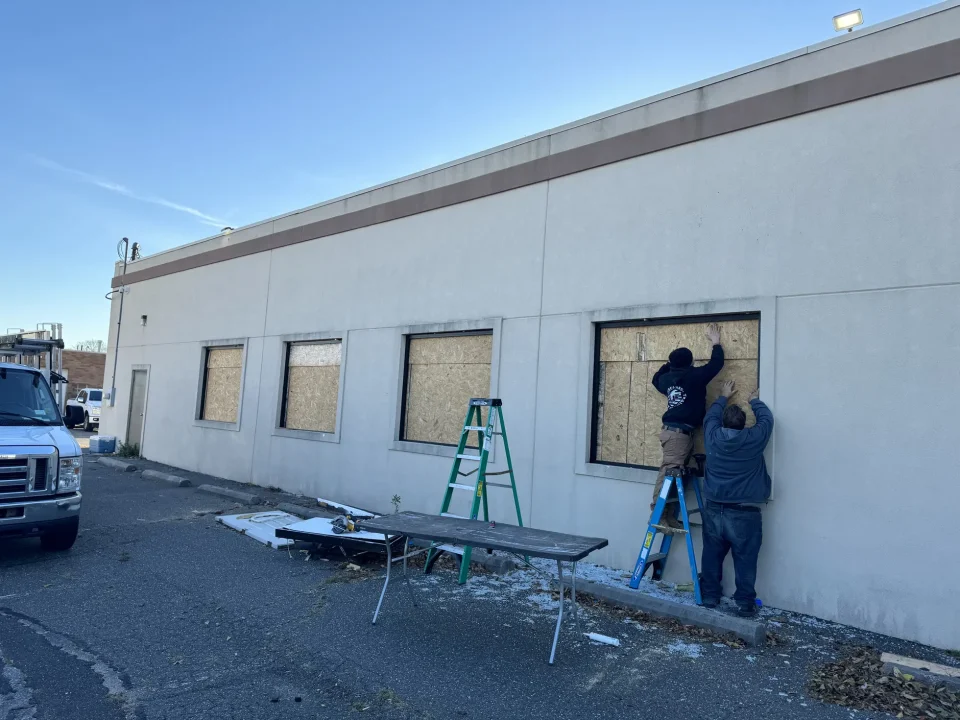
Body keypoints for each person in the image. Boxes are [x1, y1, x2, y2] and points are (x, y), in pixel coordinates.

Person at [699, 380, 774, 616]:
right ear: (744, 425)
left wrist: (722, 396)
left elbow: (710, 417)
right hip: (744, 513)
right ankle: (744, 603)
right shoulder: (752, 439)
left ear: (723, 423)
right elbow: (767, 421)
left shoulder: (712, 436)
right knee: (745, 559)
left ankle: (710, 597)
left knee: (711, 554)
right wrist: (754, 401)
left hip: (714, 509)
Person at [649, 323, 724, 530]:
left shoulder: (666, 379)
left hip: (678, 433)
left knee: (677, 473)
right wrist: (715, 342)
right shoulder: (694, 376)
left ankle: (669, 514)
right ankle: (658, 514)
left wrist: (668, 365)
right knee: (668, 472)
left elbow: (655, 379)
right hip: (677, 434)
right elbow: (715, 365)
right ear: (690, 362)